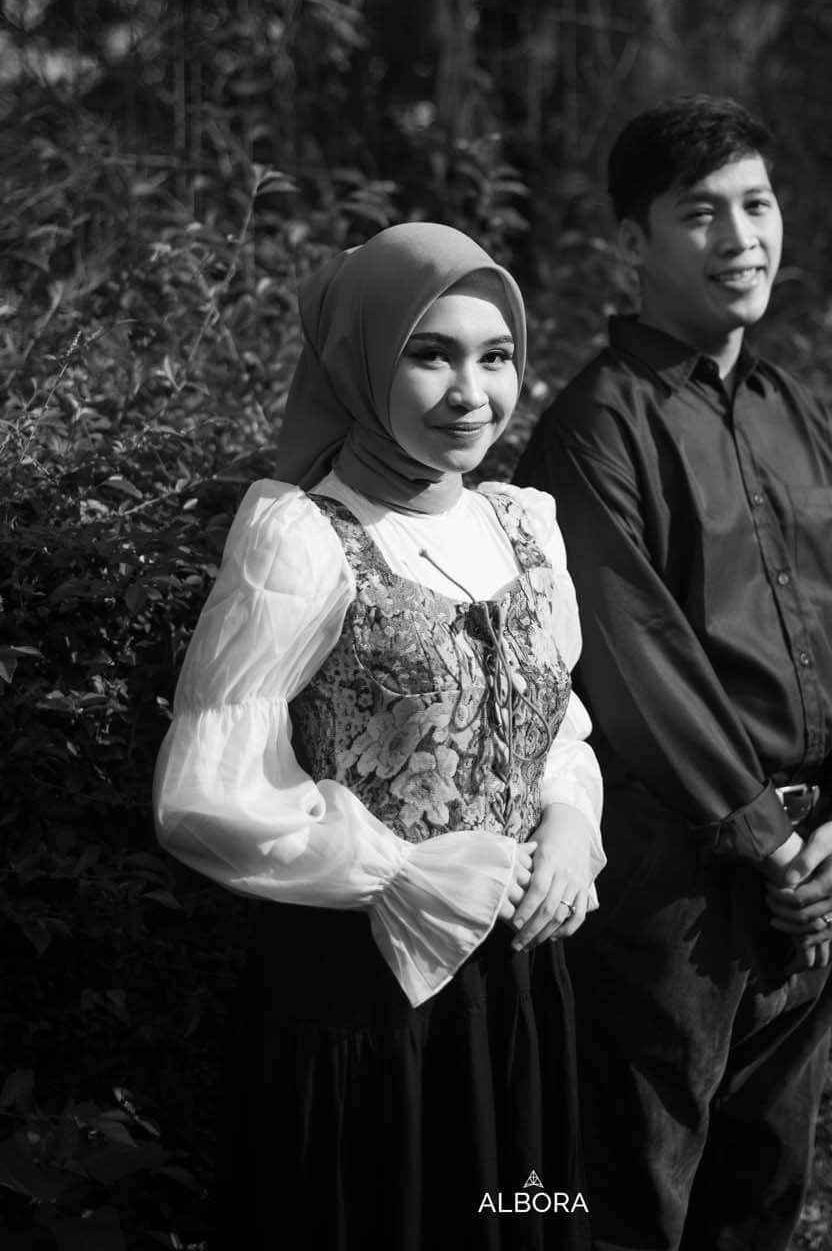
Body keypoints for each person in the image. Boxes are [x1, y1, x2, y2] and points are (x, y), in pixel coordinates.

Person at [153, 222, 604, 1251]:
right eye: (429, 354)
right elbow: (205, 790)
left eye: (495, 357)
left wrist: (571, 823)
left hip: (514, 983)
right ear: (359, 359)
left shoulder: (523, 524)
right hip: (358, 995)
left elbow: (553, 724)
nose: (470, 393)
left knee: (512, 1210)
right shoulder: (301, 539)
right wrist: (398, 872)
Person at [515, 96, 832, 1251]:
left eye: (756, 203)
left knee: (760, 1190)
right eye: (700, 212)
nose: (741, 236)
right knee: (630, 1195)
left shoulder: (797, 413)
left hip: (812, 859)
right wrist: (774, 847)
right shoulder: (593, 427)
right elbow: (635, 663)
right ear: (630, 240)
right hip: (671, 883)